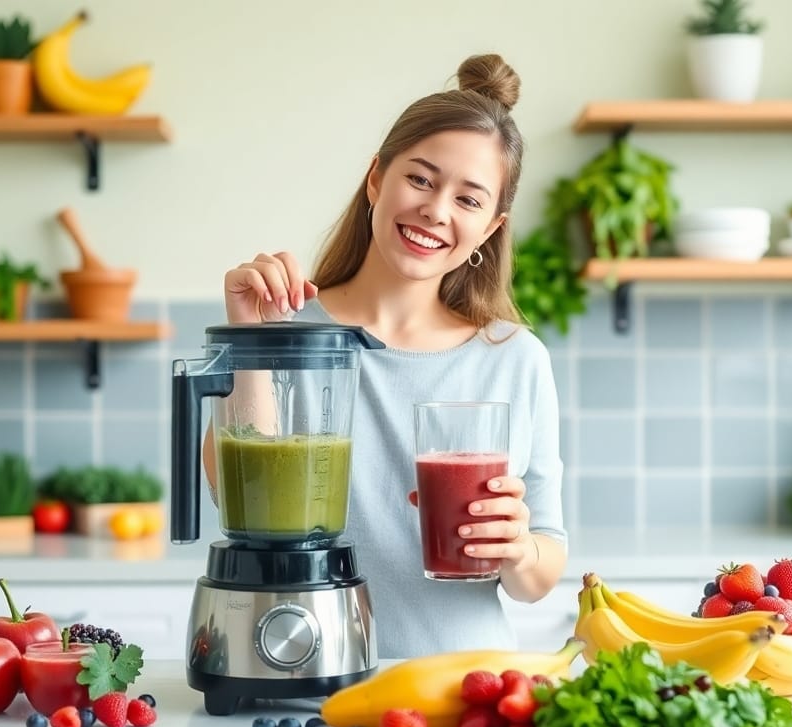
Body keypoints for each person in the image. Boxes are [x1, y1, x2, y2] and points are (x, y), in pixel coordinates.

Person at [211, 53, 567, 658]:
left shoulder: (515, 357)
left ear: (491, 229)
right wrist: (255, 337)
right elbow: (241, 497)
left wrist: (519, 548)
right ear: (376, 179)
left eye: (469, 200)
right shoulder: (291, 331)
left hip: (462, 688)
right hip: (307, 684)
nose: (435, 210)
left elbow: (540, 572)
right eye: (421, 179)